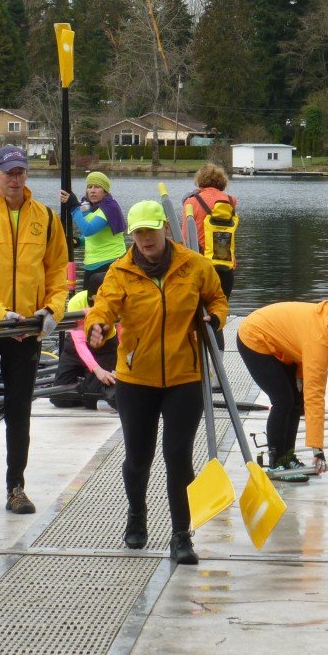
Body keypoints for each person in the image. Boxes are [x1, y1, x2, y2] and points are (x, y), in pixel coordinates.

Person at [85, 200, 229, 565]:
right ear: (131, 235)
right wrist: (97, 328)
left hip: (184, 376)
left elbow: (217, 297)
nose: (146, 238)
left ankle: (182, 535)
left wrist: (215, 318)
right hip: (136, 378)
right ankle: (137, 516)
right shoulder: (119, 272)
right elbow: (104, 308)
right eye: (138, 232)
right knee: (138, 457)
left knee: (178, 457)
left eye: (151, 230)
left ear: (166, 227)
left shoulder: (194, 265)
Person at [0, 145, 69, 514]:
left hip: (28, 328)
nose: (15, 179)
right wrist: (1, 314)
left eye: (21, 172)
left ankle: (15, 486)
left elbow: (58, 274)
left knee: (19, 407)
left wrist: (52, 310)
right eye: (8, 173)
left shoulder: (48, 219)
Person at [236, 301, 328, 483]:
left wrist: (300, 379)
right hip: (255, 336)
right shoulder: (323, 339)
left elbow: (306, 359)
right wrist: (317, 449)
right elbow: (315, 395)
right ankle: (276, 462)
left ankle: (287, 457)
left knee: (296, 402)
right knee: (283, 400)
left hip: (284, 346)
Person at [182, 163, 238, 353]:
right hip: (226, 268)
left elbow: (184, 238)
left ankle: (201, 367)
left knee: (198, 316)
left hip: (201, 267)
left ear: (200, 180)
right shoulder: (230, 201)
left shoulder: (191, 202)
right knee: (217, 317)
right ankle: (218, 368)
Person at [49, 270, 118, 410]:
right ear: (92, 296)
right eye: (102, 295)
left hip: (105, 348)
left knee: (90, 398)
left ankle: (96, 389)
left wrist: (120, 366)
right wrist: (97, 370)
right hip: (76, 346)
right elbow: (79, 342)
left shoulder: (116, 301)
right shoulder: (76, 302)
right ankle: (91, 387)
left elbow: (123, 333)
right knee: (59, 399)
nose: (106, 299)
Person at [59, 171, 127, 290]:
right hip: (90, 265)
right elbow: (93, 234)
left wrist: (74, 208)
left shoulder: (110, 207)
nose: (92, 190)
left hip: (110, 263)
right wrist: (78, 241)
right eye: (90, 187)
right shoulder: (88, 206)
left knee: (102, 306)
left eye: (97, 187)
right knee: (88, 306)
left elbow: (88, 230)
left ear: (105, 191)